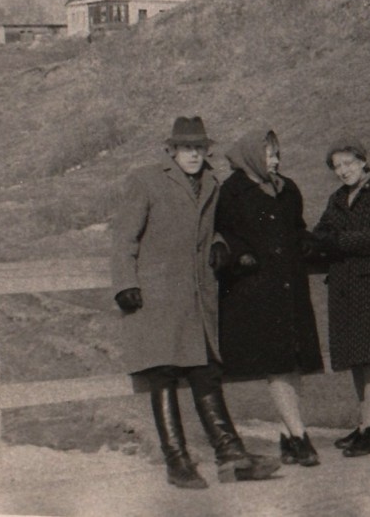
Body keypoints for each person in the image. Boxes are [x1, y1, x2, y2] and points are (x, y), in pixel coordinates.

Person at [111, 116, 279, 488]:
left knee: (206, 372)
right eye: (186, 148)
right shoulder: (146, 180)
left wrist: (219, 245)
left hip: (196, 298)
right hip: (156, 298)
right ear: (172, 150)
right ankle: (178, 462)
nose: (193, 155)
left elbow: (212, 229)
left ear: (207, 151)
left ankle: (232, 456)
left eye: (199, 148)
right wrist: (125, 282)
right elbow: (124, 237)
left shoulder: (211, 184)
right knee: (163, 374)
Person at [214, 129, 324, 467]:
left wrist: (305, 239)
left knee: (292, 364)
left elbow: (297, 226)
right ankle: (300, 436)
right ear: (251, 156)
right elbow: (222, 235)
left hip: (290, 287)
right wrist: (241, 254)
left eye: (277, 154)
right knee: (277, 365)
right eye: (269, 155)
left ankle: (290, 437)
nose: (276, 160)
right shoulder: (232, 192)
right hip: (256, 291)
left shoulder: (287, 188)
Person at [309, 138, 370, 458]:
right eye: (337, 166)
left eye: (349, 163)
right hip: (344, 286)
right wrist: (324, 241)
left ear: (363, 161)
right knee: (354, 356)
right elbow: (320, 233)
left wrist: (337, 241)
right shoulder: (337, 199)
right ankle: (367, 425)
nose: (344, 171)